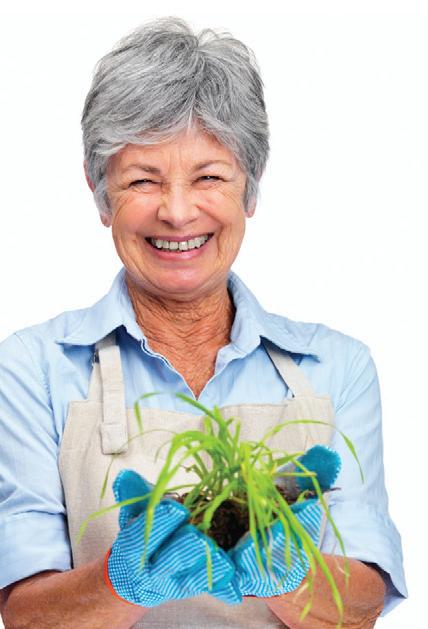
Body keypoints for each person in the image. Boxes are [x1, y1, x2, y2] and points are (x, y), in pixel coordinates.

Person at [0, 16, 407, 628]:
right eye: (143, 180)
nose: (177, 212)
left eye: (209, 177)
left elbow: (361, 607)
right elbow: (25, 617)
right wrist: (122, 581)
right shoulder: (33, 367)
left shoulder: (336, 368)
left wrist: (291, 573)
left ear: (250, 188)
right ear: (100, 192)